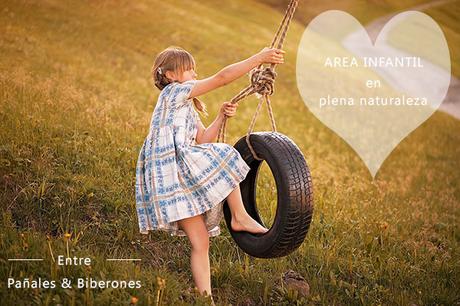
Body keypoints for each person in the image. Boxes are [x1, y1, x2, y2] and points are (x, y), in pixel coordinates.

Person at [135, 45, 284, 300]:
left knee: (201, 241)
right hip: (172, 173)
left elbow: (203, 140)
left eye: (194, 69)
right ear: (170, 75)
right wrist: (258, 58)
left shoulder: (187, 108)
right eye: (188, 69)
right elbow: (221, 78)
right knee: (224, 154)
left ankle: (205, 298)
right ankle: (239, 216)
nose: (194, 73)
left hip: (175, 180)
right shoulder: (173, 93)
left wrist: (219, 117)